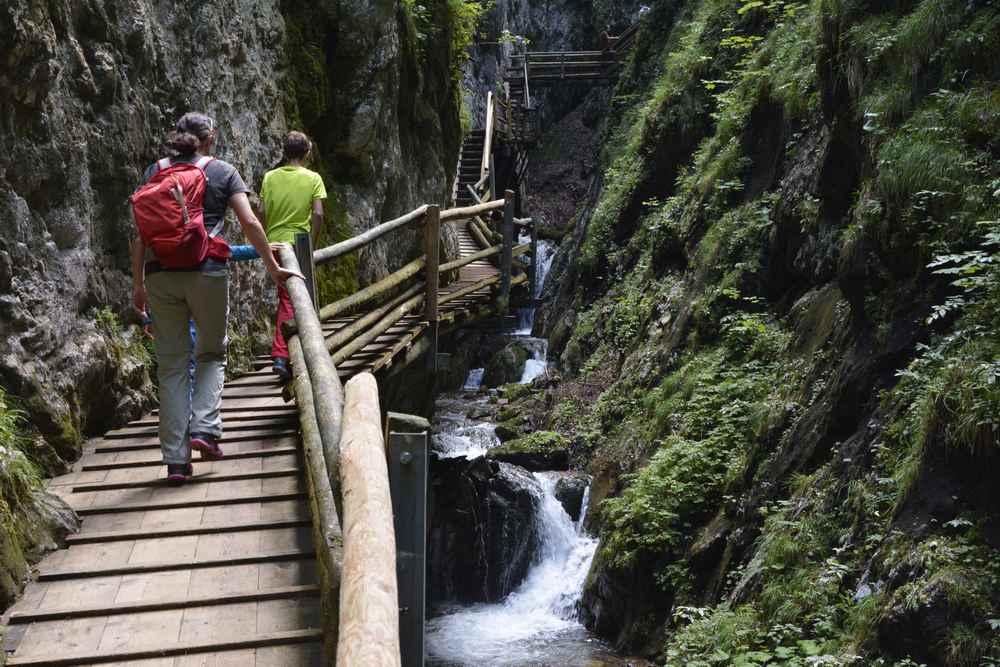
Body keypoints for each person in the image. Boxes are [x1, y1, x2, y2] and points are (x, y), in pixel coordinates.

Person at [131, 112, 300, 485]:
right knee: (210, 353)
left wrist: (138, 284)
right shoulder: (223, 171)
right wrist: (273, 267)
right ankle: (204, 430)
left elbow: (141, 232)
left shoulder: (154, 170)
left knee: (172, 367)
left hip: (160, 274)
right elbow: (251, 223)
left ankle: (176, 462)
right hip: (206, 271)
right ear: (212, 137)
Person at [259, 131, 327, 382]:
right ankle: (280, 355)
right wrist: (312, 242)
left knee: (286, 295)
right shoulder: (313, 178)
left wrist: (266, 238)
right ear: (307, 152)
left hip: (275, 243)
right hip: (298, 243)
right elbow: (318, 214)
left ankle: (289, 352)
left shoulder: (269, 177)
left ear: (284, 152)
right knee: (293, 299)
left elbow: (261, 211)